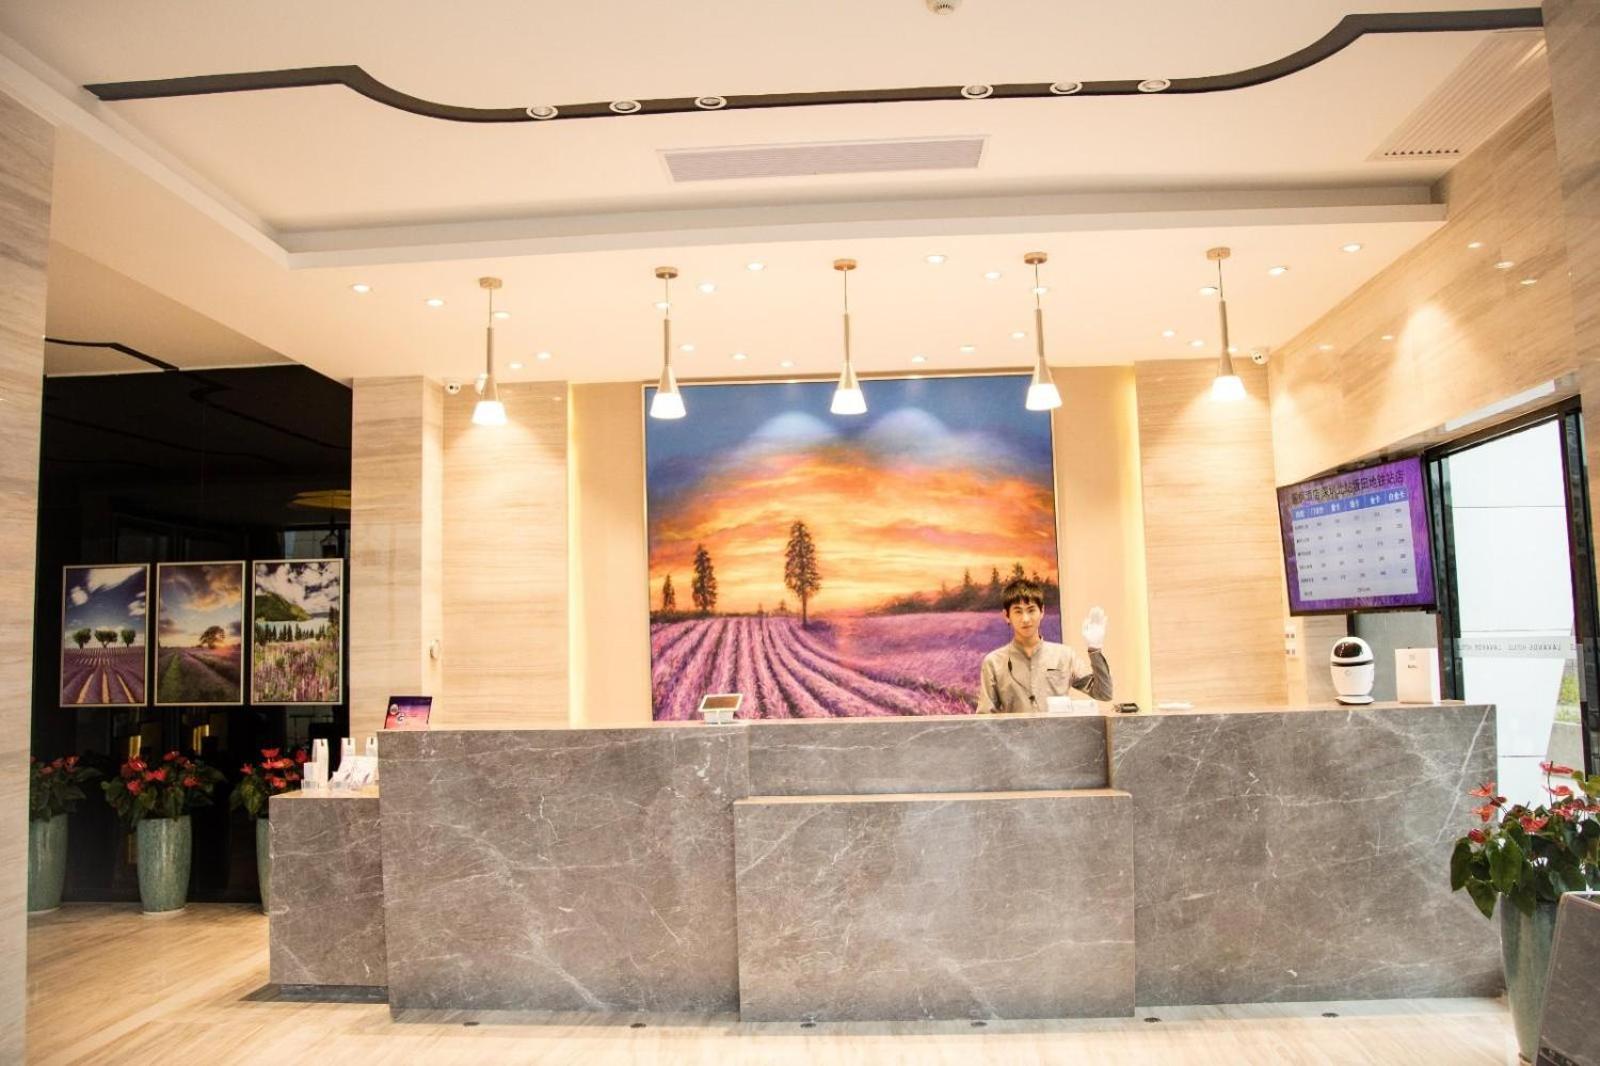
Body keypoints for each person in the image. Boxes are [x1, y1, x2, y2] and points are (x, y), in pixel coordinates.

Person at [976, 578, 1112, 713]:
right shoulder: (993, 662)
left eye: (1031, 610)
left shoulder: (1065, 656)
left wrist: (1095, 650)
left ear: (1042, 611)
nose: (1025, 619)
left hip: (1057, 728)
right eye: (1018, 611)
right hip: (1014, 729)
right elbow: (985, 717)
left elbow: (1104, 693)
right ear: (1007, 616)